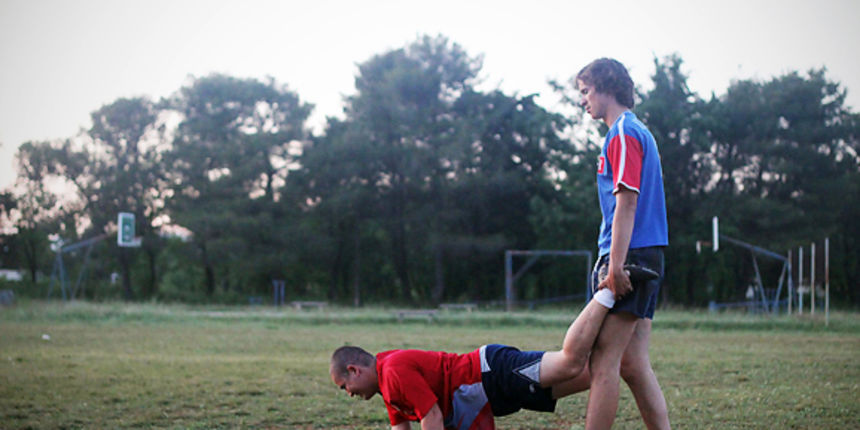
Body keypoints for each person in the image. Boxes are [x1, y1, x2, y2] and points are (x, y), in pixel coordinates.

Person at [330, 287, 621, 430]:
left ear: (354, 370)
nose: (348, 394)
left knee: (571, 363)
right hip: (491, 395)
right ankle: (624, 338)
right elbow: (401, 427)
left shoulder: (392, 372)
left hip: (490, 373)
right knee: (593, 375)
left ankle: (606, 292)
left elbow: (432, 418)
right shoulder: (389, 390)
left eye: (344, 387)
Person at [576, 57, 671, 429]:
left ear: (606, 87)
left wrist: (614, 266)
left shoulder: (624, 134)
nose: (583, 100)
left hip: (630, 255)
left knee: (604, 361)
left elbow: (626, 202)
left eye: (585, 91)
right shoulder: (629, 132)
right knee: (632, 362)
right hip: (644, 252)